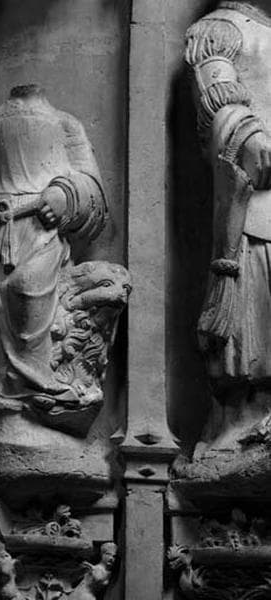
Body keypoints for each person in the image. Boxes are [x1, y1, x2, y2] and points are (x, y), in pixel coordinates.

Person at [0, 84, 107, 412]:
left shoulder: (65, 123)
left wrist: (65, 196)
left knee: (27, 288)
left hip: (40, 230)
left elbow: (90, 183)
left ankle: (36, 379)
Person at [185, 1, 271, 451]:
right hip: (256, 212)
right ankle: (248, 420)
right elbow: (221, 109)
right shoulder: (220, 29)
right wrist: (250, 139)